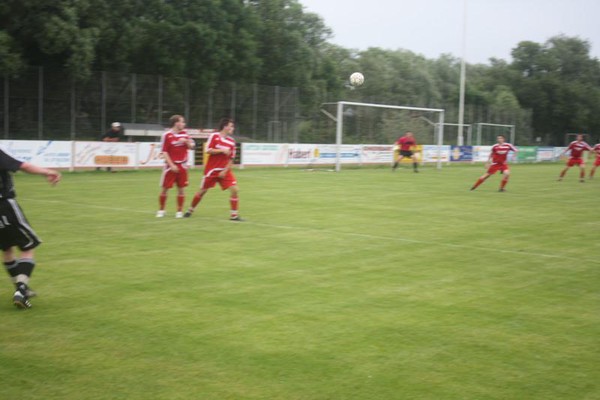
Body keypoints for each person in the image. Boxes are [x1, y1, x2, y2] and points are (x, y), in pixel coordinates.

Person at [0, 148, 61, 309]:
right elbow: (23, 166)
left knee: (7, 248)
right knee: (28, 246)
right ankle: (21, 291)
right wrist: (47, 172)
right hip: (4, 205)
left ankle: (21, 289)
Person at [184, 117, 241, 221]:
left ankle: (234, 216)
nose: (233, 128)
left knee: (235, 189)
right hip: (212, 170)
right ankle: (190, 210)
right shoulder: (214, 136)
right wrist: (221, 150)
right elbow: (208, 150)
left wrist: (225, 171)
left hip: (224, 170)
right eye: (231, 126)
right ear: (225, 126)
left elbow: (231, 159)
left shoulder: (232, 141)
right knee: (202, 191)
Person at [157, 115, 195, 218]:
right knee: (165, 188)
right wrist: (171, 165)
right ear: (176, 123)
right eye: (182, 122)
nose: (184, 124)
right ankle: (161, 210)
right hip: (170, 166)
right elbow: (164, 151)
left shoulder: (186, 134)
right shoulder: (166, 135)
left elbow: (192, 147)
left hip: (182, 166)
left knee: (181, 189)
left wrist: (186, 141)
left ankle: (179, 211)